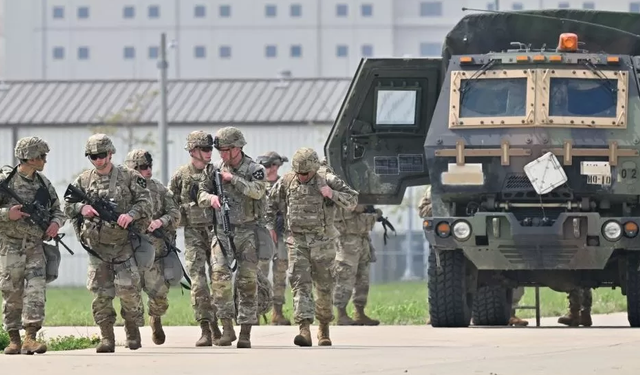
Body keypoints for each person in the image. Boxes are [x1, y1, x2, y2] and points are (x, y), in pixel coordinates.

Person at [64, 134, 152, 353]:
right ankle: (106, 337)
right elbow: (66, 205)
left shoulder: (129, 176)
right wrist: (80, 209)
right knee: (101, 295)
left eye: (102, 155)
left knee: (128, 292)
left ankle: (132, 331)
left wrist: (130, 214)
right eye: (93, 156)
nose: (98, 160)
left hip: (123, 245)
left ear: (111, 153)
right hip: (97, 247)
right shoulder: (83, 180)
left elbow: (146, 202)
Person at [267, 147, 358, 347]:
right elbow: (270, 203)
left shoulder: (328, 179)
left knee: (324, 287)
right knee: (300, 285)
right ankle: (304, 329)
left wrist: (332, 193)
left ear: (314, 169)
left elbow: (353, 200)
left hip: (323, 242)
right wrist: (270, 226)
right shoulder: (287, 181)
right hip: (297, 242)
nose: (301, 177)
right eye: (299, 173)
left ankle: (323, 329)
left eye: (305, 173)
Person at [197, 126, 267, 348]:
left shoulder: (255, 169)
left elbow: (257, 191)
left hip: (247, 232)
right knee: (219, 280)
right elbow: (200, 193)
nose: (222, 155)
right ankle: (227, 329)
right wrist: (210, 198)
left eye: (226, 150)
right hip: (221, 232)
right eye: (220, 150)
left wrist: (233, 179)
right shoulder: (213, 169)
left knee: (247, 283)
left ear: (238, 148)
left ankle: (245, 331)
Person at [0, 137, 65, 355]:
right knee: (11, 292)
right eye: (42, 156)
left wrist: (56, 223)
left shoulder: (43, 184)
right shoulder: (5, 181)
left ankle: (31, 337)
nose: (45, 160)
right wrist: (7, 214)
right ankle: (14, 339)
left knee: (36, 290)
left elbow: (58, 209)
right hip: (10, 246)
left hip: (35, 246)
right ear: (30, 158)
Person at [169, 131, 222, 346]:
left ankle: (221, 324)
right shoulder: (181, 176)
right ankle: (205, 328)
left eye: (211, 149)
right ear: (193, 151)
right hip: (193, 234)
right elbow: (169, 206)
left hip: (217, 232)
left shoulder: (217, 173)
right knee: (199, 283)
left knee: (220, 281)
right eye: (205, 149)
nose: (210, 153)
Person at [124, 149, 181, 345]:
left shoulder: (159, 189)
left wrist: (160, 222)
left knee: (159, 298)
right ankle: (132, 331)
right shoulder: (124, 190)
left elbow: (175, 214)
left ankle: (155, 319)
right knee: (129, 294)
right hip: (130, 252)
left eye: (149, 166)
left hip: (156, 253)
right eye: (141, 167)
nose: (146, 170)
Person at [256, 151, 292, 325]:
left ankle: (277, 312)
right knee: (260, 274)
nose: (269, 169)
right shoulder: (257, 184)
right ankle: (255, 311)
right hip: (263, 236)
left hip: (282, 234)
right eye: (266, 165)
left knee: (280, 274)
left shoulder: (284, 184)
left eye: (272, 165)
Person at [333, 204, 382, 326]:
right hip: (347, 240)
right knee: (345, 277)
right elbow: (331, 212)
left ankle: (360, 313)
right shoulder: (338, 191)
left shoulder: (364, 193)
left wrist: (374, 213)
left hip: (363, 239)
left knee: (363, 279)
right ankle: (341, 314)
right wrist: (351, 207)